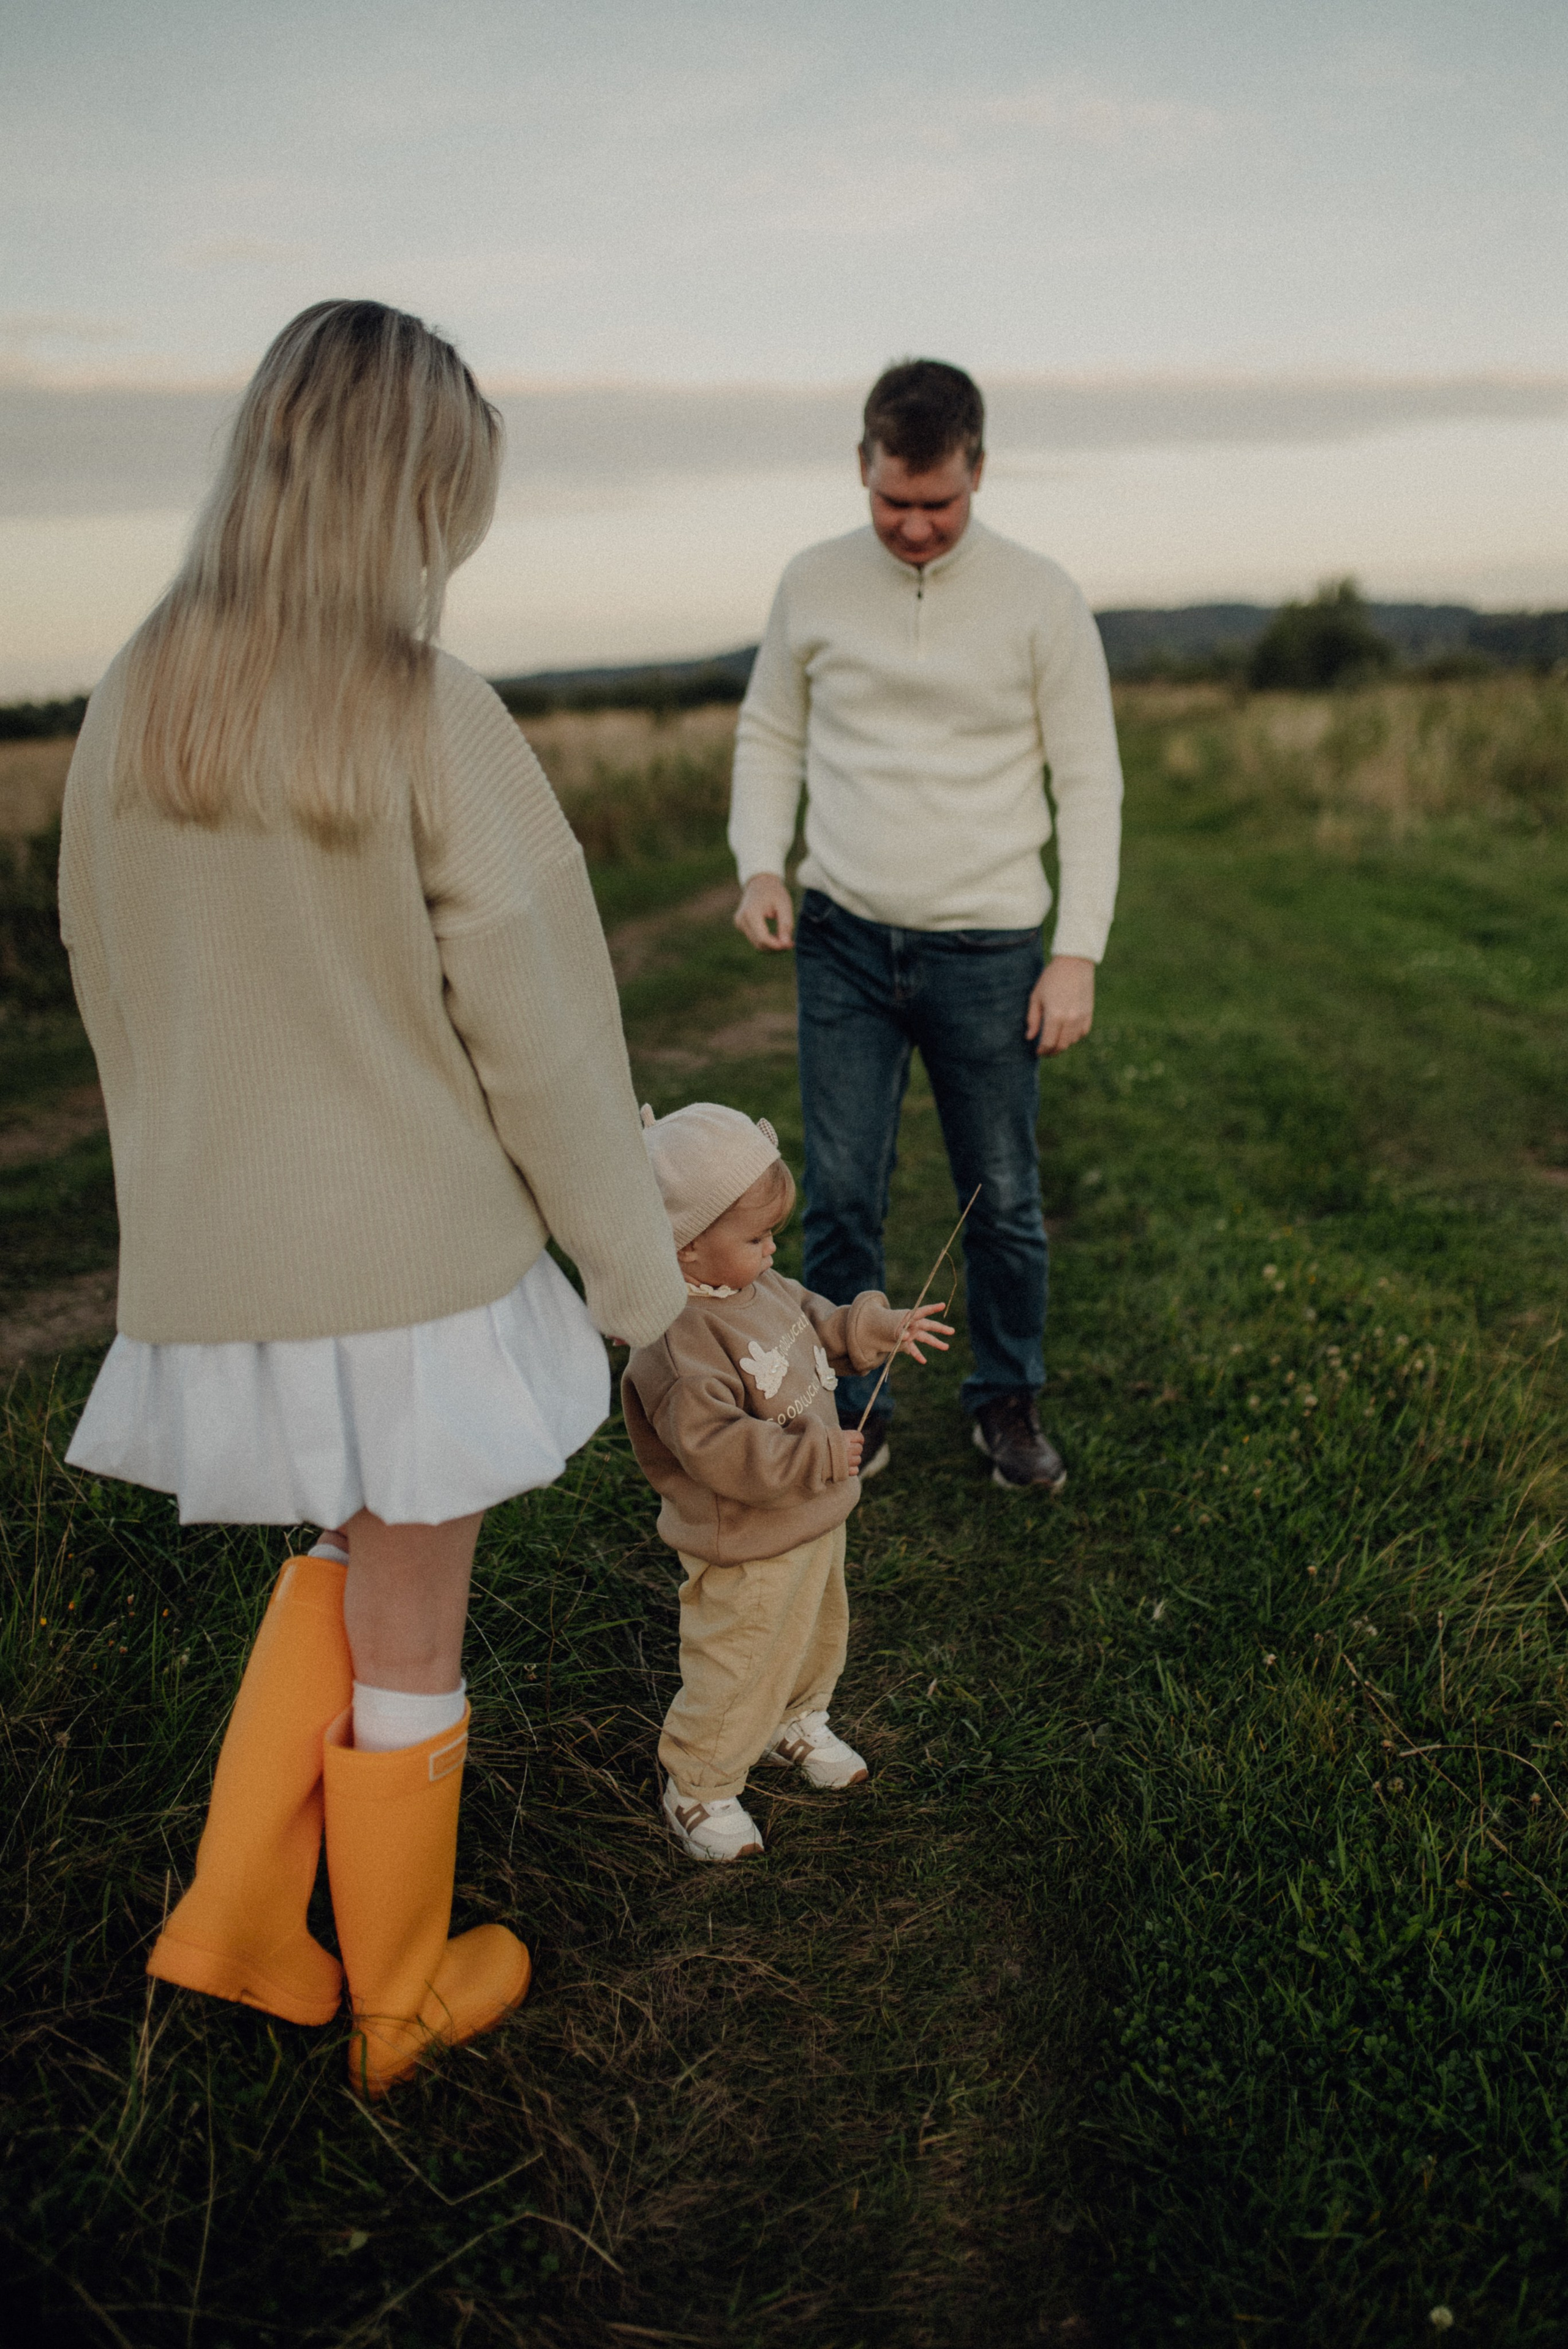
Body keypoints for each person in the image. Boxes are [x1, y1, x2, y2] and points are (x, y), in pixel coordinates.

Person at [58, 300, 685, 2097]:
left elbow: (119, 994)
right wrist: (638, 1287)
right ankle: (397, 1994)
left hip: (219, 1265)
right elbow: (544, 1030)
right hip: (407, 1266)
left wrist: (175, 1221)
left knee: (345, 1552)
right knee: (414, 1613)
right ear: (408, 495)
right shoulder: (420, 704)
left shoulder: (133, 694)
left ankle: (242, 1923)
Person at [728, 358, 1123, 1490]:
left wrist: (1077, 952)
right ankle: (853, 1407)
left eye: (938, 503)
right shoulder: (811, 582)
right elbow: (771, 737)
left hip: (991, 949)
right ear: (863, 465)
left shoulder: (1043, 597)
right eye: (892, 500)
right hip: (843, 938)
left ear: (979, 472)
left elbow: (1089, 783)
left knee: (1002, 1196)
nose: (913, 525)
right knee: (840, 1193)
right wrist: (762, 864)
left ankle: (1007, 1400)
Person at [620, 1102, 951, 1862]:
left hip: (811, 1514)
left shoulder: (759, 1287)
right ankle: (698, 1782)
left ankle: (794, 1718)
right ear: (685, 1250)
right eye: (756, 1237)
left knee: (811, 1630)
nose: (773, 1250)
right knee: (738, 1652)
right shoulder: (678, 1346)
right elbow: (718, 1449)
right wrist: (816, 1457)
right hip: (744, 1536)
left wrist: (879, 1326)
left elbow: (822, 1325)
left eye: (774, 1233)